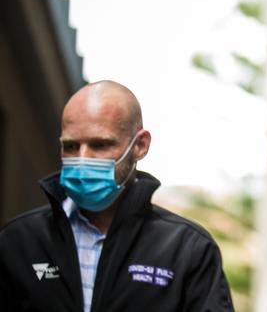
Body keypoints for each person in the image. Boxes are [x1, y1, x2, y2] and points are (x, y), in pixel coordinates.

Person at [0, 81, 234, 311]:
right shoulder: (17, 241)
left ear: (140, 145)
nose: (83, 159)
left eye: (100, 145)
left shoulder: (187, 249)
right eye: (71, 146)